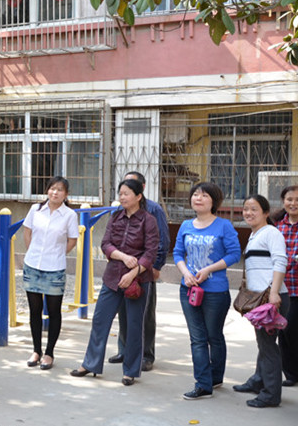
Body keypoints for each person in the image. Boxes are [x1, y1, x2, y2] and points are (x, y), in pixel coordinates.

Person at [70, 178, 159, 386]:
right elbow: (106, 244)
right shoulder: (116, 216)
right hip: (112, 278)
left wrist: (133, 273)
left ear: (138, 196)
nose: (122, 197)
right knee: (100, 320)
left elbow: (150, 253)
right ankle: (90, 364)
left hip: (138, 281)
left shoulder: (148, 220)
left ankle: (130, 371)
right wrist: (123, 257)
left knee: (135, 326)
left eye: (126, 193)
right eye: (120, 193)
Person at [173, 182, 241, 400]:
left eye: (204, 195)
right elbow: (177, 253)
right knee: (198, 338)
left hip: (215, 291)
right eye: (195, 194)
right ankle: (203, 384)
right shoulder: (186, 225)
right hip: (188, 290)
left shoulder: (224, 226)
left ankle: (216, 376)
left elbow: (234, 254)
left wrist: (209, 269)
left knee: (214, 336)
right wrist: (185, 273)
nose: (198, 198)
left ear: (214, 201)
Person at [108, 171, 170, 372]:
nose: (124, 193)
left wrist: (157, 266)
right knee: (124, 312)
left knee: (144, 314)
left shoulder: (153, 209)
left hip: (144, 268)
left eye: (130, 186)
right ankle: (125, 350)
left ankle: (146, 355)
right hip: (121, 269)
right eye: (123, 188)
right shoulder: (119, 210)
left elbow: (162, 240)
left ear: (141, 189)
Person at [233, 195, 287, 408]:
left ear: (266, 212)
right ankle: (258, 380)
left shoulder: (271, 233)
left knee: (268, 346)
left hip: (270, 298)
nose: (248, 213)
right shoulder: (255, 234)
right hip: (260, 298)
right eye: (246, 209)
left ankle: (271, 395)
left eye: (254, 209)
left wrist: (274, 293)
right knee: (264, 344)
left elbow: (280, 261)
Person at [22, 176, 78, 371]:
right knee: (34, 310)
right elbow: (27, 232)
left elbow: (72, 240)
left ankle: (49, 353)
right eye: (52, 188)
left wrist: (57, 253)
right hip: (32, 265)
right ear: (47, 190)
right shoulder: (35, 210)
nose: (55, 192)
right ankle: (36, 350)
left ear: (66, 194)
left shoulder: (69, 215)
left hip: (54, 268)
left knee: (54, 312)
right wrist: (32, 251)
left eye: (60, 190)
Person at [275, 185, 298, 387]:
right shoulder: (276, 226)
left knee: (292, 329)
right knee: (283, 330)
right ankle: (290, 373)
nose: (293, 203)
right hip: (281, 287)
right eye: (290, 199)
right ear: (283, 201)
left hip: (297, 287)